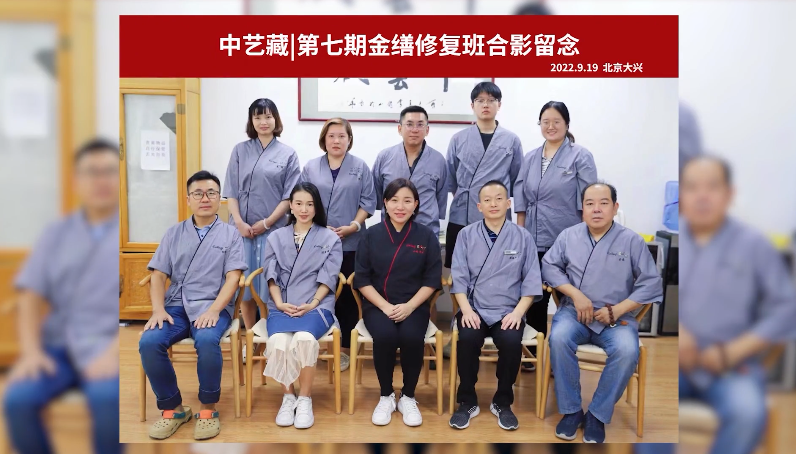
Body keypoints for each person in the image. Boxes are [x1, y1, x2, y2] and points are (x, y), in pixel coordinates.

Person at [3, 139, 121, 454]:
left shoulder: (128, 235)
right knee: (17, 400)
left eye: (109, 171)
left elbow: (147, 302)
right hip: (57, 348)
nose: (101, 180)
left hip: (108, 346)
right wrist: (31, 352)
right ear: (76, 181)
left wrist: (113, 353)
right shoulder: (55, 233)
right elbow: (30, 294)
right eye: (92, 172)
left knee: (109, 400)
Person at [674, 156, 794, 454]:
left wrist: (733, 351)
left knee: (747, 412)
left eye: (712, 187)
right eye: (692, 188)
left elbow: (786, 308)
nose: (702, 196)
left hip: (733, 366)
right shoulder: (677, 243)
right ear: (682, 196)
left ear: (729, 194)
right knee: (654, 405)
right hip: (679, 362)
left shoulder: (754, 244)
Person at [543, 182, 662, 443]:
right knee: (558, 338)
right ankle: (571, 411)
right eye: (590, 204)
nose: (596, 209)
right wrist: (575, 295)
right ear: (582, 209)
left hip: (616, 318)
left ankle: (597, 414)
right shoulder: (568, 236)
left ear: (615, 207)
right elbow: (549, 266)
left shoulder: (631, 240)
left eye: (603, 203)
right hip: (574, 313)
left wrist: (618, 310)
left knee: (628, 351)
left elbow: (651, 283)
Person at [138, 170, 247, 440]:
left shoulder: (231, 235)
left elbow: (233, 278)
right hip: (175, 306)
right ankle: (173, 409)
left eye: (211, 193)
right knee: (149, 341)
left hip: (212, 305)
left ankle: (208, 409)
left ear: (219, 198)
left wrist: (214, 310)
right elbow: (158, 275)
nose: (204, 198)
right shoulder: (174, 233)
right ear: (188, 199)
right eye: (198, 193)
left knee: (208, 339)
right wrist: (158, 310)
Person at [448, 181, 542, 431]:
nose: (493, 204)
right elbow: (459, 278)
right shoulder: (466, 235)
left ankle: (503, 401)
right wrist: (466, 310)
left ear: (508, 203)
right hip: (474, 307)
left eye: (499, 199)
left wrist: (518, 313)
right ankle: (467, 400)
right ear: (479, 206)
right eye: (487, 200)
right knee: (468, 338)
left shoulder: (523, 237)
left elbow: (532, 281)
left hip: (509, 310)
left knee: (511, 342)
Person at [514, 101, 598, 370]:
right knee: (535, 297)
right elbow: (521, 200)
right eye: (545, 121)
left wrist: (587, 240)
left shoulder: (580, 156)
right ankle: (533, 355)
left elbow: (589, 201)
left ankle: (562, 357)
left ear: (566, 124)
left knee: (567, 298)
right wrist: (521, 235)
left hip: (567, 241)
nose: (550, 126)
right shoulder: (530, 157)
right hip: (533, 239)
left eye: (556, 121)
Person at [354, 178, 442, 427]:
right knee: (385, 336)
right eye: (394, 200)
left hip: (414, 305)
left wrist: (410, 306)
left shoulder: (426, 236)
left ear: (416, 204)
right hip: (378, 305)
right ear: (385, 203)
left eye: (407, 201)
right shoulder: (370, 235)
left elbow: (432, 279)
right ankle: (386, 395)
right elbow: (362, 279)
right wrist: (384, 306)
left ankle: (408, 396)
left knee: (412, 337)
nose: (400, 206)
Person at [261, 182, 343, 429]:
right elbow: (271, 275)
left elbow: (329, 277)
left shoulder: (330, 238)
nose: (304, 209)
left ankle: (305, 399)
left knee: (304, 339)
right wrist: (279, 303)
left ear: (317, 207)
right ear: (290, 206)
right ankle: (288, 397)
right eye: (299, 203)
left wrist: (312, 303)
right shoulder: (275, 237)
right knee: (279, 341)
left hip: (317, 306)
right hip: (281, 304)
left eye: (310, 204)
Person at [300, 117, 375, 373]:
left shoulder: (360, 166)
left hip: (351, 242)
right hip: (317, 241)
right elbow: (302, 201)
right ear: (324, 139)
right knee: (318, 291)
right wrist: (319, 227)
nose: (336, 140)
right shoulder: (311, 167)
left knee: (347, 296)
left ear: (349, 139)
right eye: (331, 136)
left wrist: (353, 225)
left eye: (342, 136)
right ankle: (318, 343)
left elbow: (368, 201)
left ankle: (343, 350)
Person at [223, 98, 301, 335]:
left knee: (269, 284)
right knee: (245, 286)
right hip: (242, 230)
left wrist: (266, 223)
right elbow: (231, 191)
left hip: (273, 230)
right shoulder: (240, 150)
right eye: (257, 117)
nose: (263, 122)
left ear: (276, 119)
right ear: (251, 121)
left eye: (268, 116)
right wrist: (238, 222)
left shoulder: (288, 154)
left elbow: (289, 197)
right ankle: (250, 336)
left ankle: (268, 336)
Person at [444, 81, 523, 269]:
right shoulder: (458, 139)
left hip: (498, 214)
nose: (485, 104)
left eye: (491, 100)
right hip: (462, 214)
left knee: (498, 269)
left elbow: (517, 179)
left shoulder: (511, 140)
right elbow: (451, 177)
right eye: (480, 100)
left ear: (499, 104)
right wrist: (470, 195)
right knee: (461, 269)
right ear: (472, 105)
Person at [373, 105, 448, 238]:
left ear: (427, 130)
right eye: (409, 124)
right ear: (399, 129)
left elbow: (441, 197)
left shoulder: (438, 160)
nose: (414, 129)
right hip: (390, 231)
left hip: (426, 230)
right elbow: (377, 193)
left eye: (420, 124)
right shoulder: (384, 157)